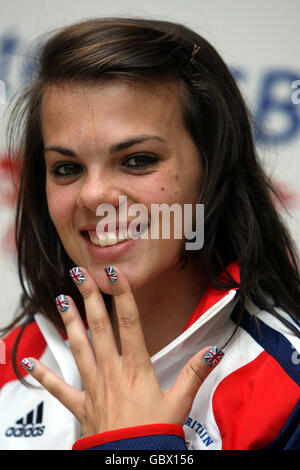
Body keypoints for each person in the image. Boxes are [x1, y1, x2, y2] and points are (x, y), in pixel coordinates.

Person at [0, 16, 299, 451]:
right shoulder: (10, 364)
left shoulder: (286, 387)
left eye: (137, 160)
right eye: (66, 168)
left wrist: (135, 449)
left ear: (212, 170)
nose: (94, 194)